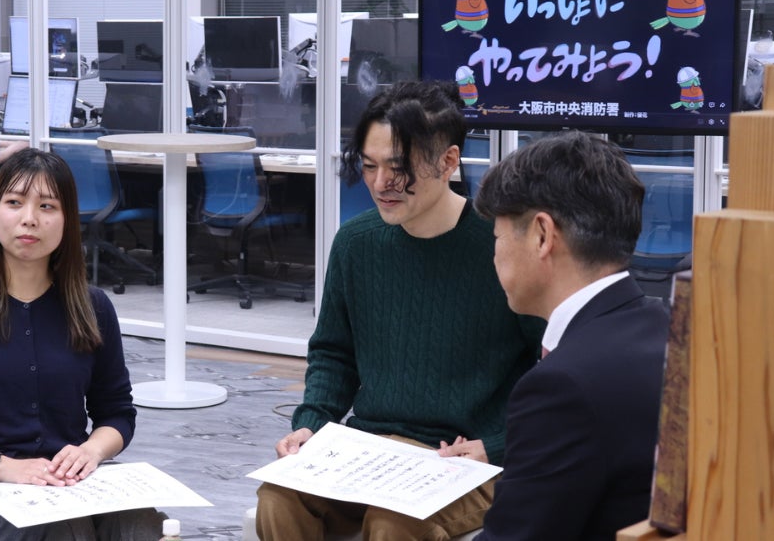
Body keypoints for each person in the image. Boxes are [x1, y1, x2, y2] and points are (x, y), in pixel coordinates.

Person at [255, 80, 544, 541]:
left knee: (393, 523)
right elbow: (333, 354)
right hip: (370, 446)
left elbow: (550, 370)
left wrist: (498, 444)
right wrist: (311, 424)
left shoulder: (500, 245)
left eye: (398, 167)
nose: (379, 184)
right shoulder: (356, 243)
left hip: (462, 456)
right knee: (278, 498)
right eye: (369, 166)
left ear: (448, 161)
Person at [0, 148, 162, 540]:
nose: (29, 218)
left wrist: (90, 451)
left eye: (47, 206)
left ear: (67, 220)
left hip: (64, 479)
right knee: (60, 525)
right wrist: (1, 465)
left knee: (140, 520)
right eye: (15, 202)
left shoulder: (92, 307)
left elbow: (117, 413)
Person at [464, 132, 669, 540]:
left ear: (542, 235)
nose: (494, 254)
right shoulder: (669, 329)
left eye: (497, 237)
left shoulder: (560, 387)